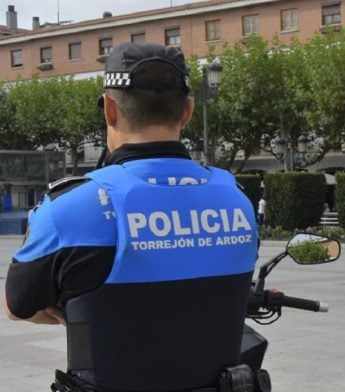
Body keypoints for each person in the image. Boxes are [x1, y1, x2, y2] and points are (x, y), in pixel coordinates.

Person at [3, 42, 259, 391]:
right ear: (187, 111)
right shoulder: (237, 199)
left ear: (109, 109)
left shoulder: (71, 206)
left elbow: (16, 306)